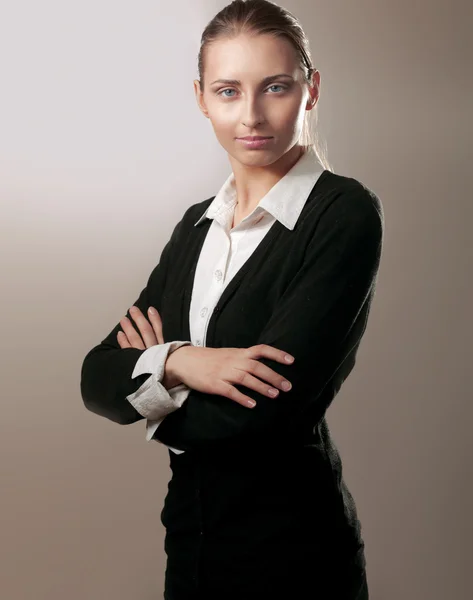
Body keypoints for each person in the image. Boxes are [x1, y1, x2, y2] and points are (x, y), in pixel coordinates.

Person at [80, 1, 384, 598]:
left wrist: (146, 386)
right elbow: (95, 378)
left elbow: (260, 416)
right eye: (227, 91)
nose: (251, 115)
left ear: (310, 89)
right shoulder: (196, 226)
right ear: (200, 97)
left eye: (274, 87)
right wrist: (180, 362)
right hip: (190, 551)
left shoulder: (341, 214)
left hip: (295, 559)